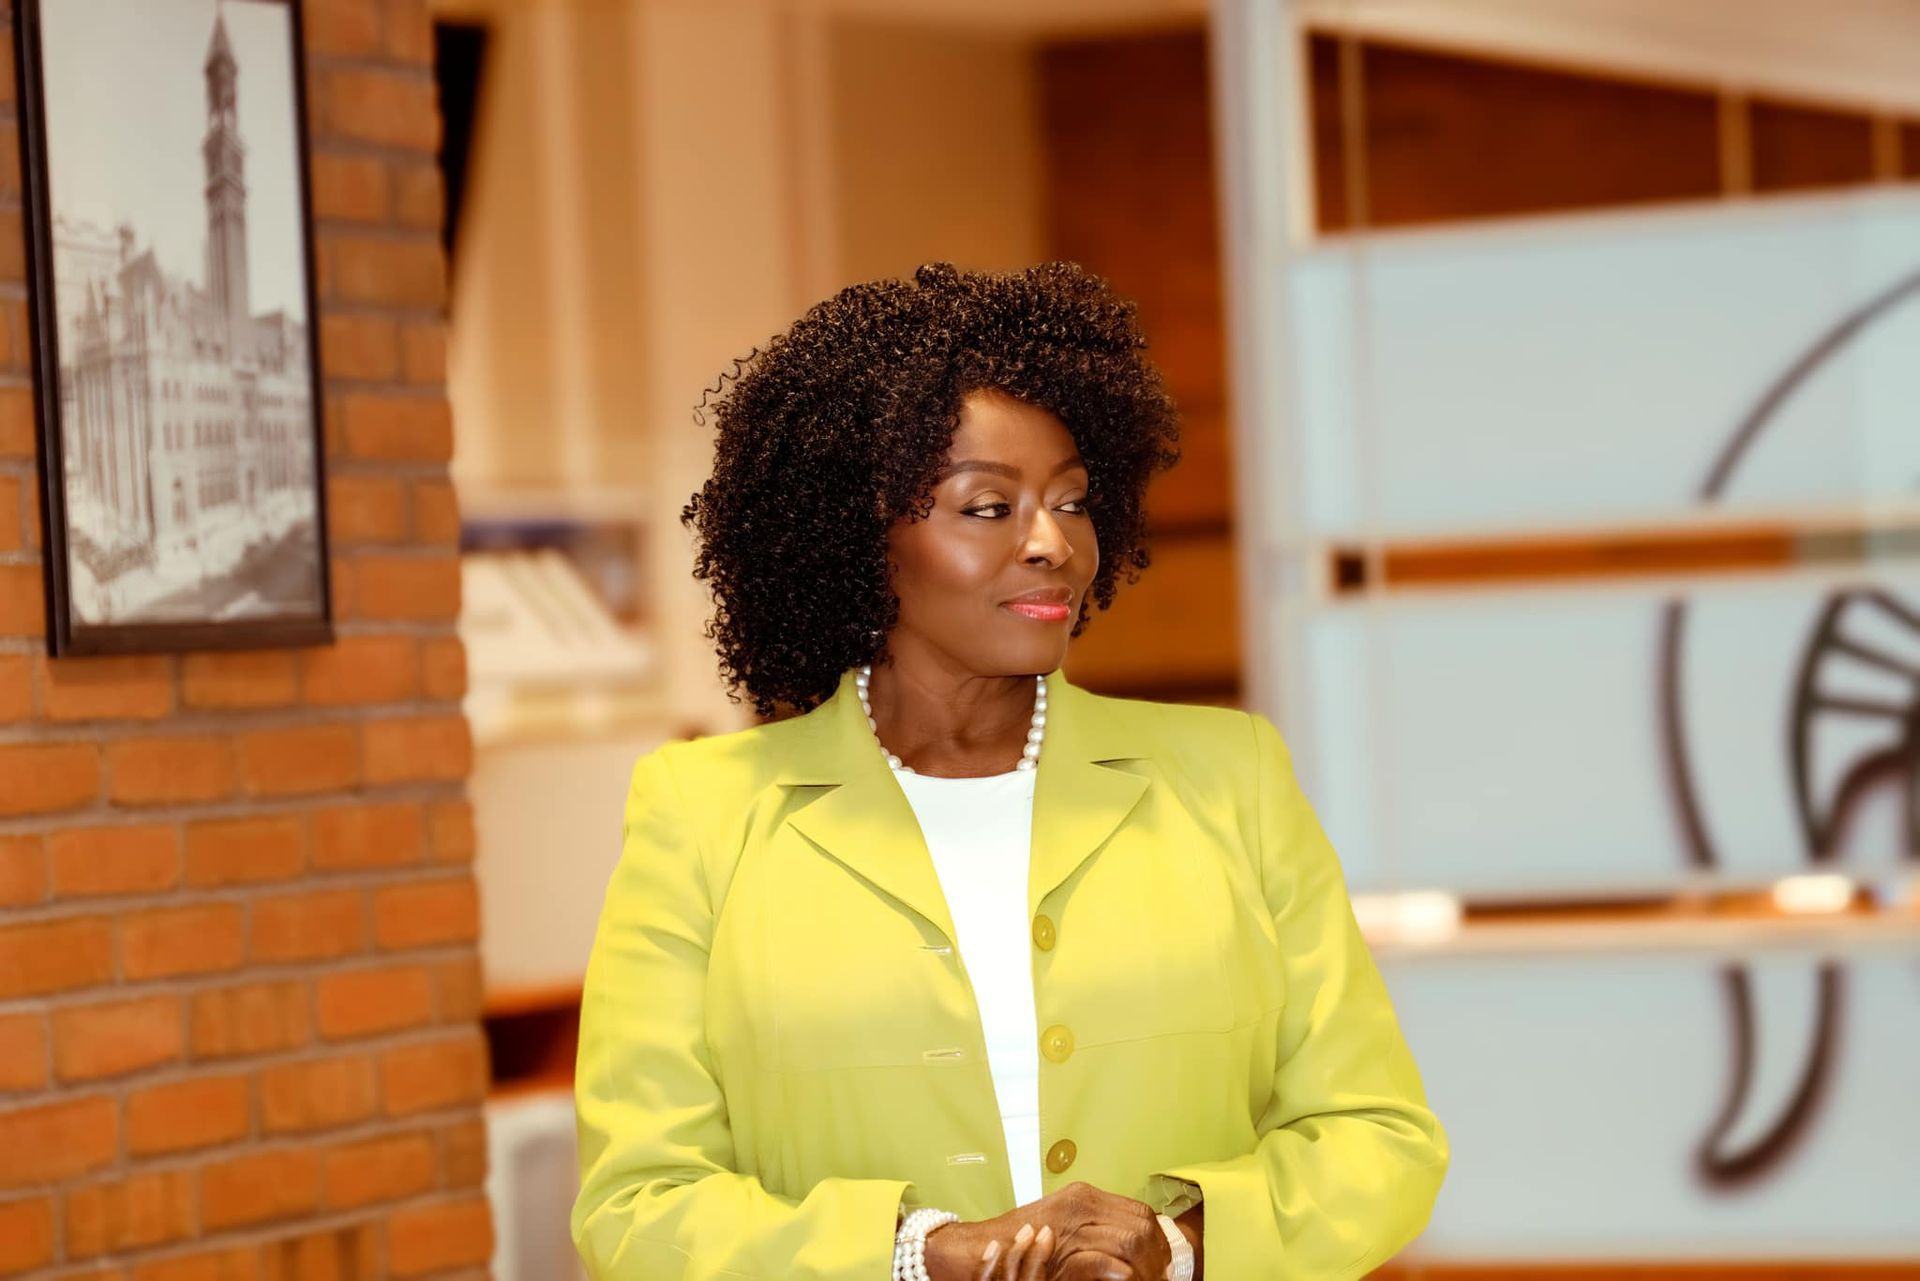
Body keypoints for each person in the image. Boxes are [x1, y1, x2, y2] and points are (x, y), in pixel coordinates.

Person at [570, 261, 1448, 1280]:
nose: (1053, 546)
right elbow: (638, 1204)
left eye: (1071, 502)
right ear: (858, 535)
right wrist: (918, 1255)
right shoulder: (703, 817)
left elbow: (1380, 1137)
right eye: (987, 507)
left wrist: (1180, 1244)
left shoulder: (1230, 779)